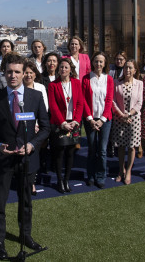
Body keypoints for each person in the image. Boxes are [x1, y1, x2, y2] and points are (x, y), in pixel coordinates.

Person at [0, 53, 50, 258]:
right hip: (3, 159)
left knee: (26, 201)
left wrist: (31, 145)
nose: (13, 75)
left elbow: (46, 128)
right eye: (9, 71)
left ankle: (25, 236)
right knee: (0, 202)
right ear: (4, 72)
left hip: (27, 158)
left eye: (17, 72)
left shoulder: (35, 97)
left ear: (24, 73)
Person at [47, 57, 84, 193]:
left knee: (70, 152)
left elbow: (80, 103)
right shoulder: (53, 85)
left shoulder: (76, 83)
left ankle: (66, 180)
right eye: (61, 67)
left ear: (70, 70)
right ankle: (59, 180)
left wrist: (76, 120)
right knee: (59, 153)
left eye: (66, 67)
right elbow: (53, 106)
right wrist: (62, 123)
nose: (63, 69)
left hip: (73, 123)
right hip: (59, 123)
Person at [82, 52, 114, 189]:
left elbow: (109, 100)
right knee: (92, 148)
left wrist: (102, 119)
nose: (98, 64)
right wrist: (90, 119)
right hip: (90, 119)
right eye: (96, 61)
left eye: (101, 61)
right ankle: (90, 176)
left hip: (105, 120)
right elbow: (83, 100)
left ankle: (101, 176)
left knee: (102, 150)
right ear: (92, 62)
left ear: (105, 63)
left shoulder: (109, 79)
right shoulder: (86, 78)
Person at [111, 59, 143, 185]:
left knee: (131, 147)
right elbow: (113, 101)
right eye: (125, 68)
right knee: (120, 146)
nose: (127, 70)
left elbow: (140, 102)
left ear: (135, 70)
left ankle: (128, 171)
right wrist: (122, 115)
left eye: (130, 68)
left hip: (133, 119)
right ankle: (121, 170)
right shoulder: (116, 83)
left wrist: (129, 114)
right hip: (119, 119)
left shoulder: (139, 84)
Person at [23, 60, 49, 193]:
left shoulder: (40, 88)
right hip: (21, 128)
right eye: (26, 72)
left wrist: (36, 125)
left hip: (37, 128)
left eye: (31, 73)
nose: (28, 75)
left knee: (34, 155)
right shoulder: (19, 88)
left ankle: (32, 182)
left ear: (35, 74)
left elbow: (44, 109)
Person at [107, 51, 127, 158]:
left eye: (121, 59)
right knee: (110, 127)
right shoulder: (111, 69)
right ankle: (110, 147)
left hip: (121, 101)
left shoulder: (126, 70)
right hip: (110, 99)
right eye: (117, 59)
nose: (119, 61)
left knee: (120, 126)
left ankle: (119, 147)